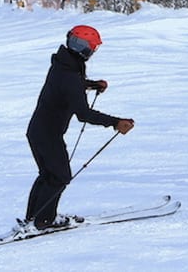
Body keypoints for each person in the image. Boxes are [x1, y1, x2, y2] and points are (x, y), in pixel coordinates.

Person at [25, 25, 135, 230]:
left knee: (49, 176)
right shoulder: (69, 75)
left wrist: (92, 84)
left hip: (39, 131)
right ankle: (43, 221)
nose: (92, 52)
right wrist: (116, 122)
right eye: (92, 48)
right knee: (59, 176)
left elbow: (71, 86)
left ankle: (34, 219)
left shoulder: (63, 64)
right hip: (48, 134)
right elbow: (84, 114)